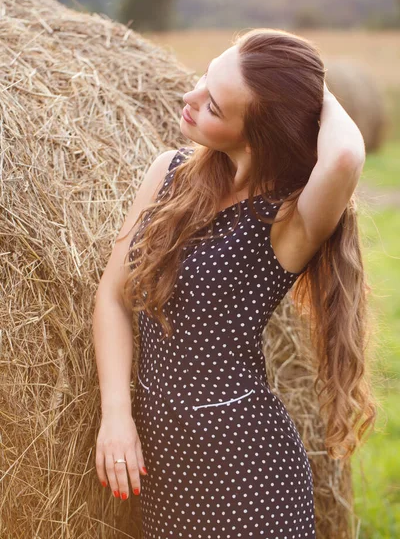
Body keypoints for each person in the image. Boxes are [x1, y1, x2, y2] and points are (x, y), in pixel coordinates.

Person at [92, 28, 375, 538]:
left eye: (215, 107)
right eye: (205, 78)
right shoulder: (169, 174)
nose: (190, 98)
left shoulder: (288, 221)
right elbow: (113, 296)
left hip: (248, 477)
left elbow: (342, 159)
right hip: (167, 475)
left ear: (257, 136)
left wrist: (312, 90)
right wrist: (115, 414)